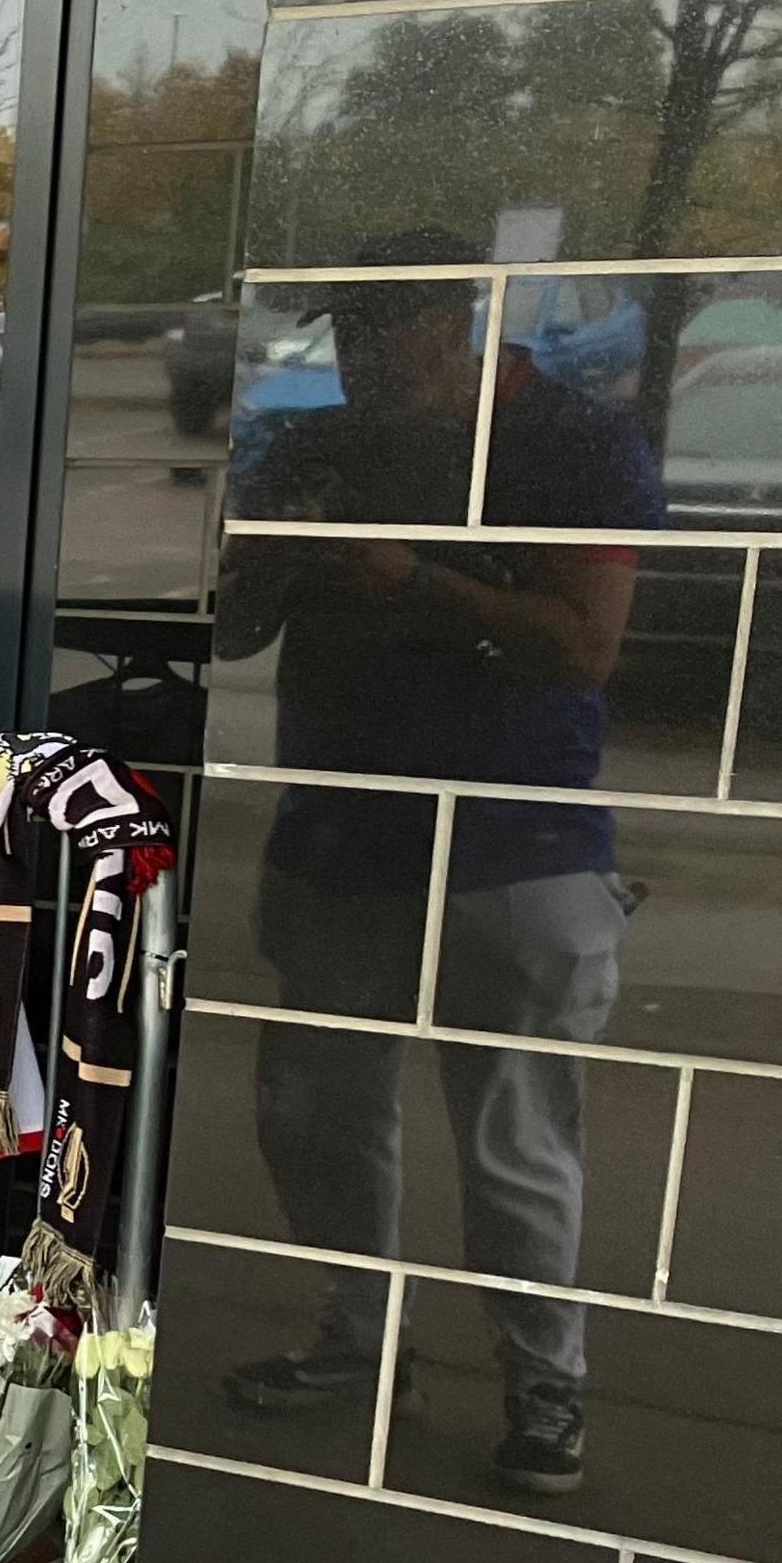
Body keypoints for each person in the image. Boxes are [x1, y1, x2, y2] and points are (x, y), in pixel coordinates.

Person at [215, 234, 663, 1495]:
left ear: (460, 319)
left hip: (516, 849)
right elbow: (238, 629)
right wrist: (268, 560)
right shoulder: (316, 442)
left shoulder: (573, 442)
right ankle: (362, 1346)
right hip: (341, 839)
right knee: (315, 1123)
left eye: (391, 329)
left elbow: (585, 647)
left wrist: (411, 577)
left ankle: (545, 1387)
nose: (363, 359)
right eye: (346, 334)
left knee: (515, 1143)